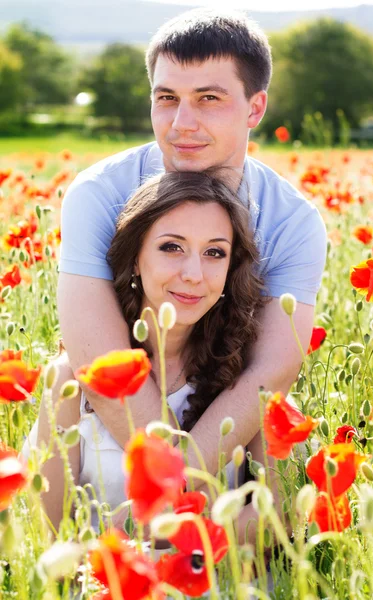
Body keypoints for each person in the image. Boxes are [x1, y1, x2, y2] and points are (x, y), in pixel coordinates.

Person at [56, 9, 327, 491]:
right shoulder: (98, 192)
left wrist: (182, 494)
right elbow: (93, 348)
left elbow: (272, 368)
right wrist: (169, 480)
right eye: (167, 98)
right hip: (117, 422)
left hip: (223, 431)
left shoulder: (293, 220)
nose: (182, 123)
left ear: (255, 108)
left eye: (208, 98)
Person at [27, 170, 270, 533]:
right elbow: (47, 533)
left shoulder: (246, 376)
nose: (193, 273)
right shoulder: (71, 381)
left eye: (214, 252)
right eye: (172, 247)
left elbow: (274, 519)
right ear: (136, 257)